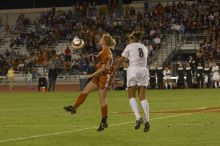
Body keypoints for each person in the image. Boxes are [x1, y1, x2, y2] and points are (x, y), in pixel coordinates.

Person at [64, 33, 116, 132]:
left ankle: (104, 121)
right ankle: (74, 108)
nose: (99, 39)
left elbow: (104, 68)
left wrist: (91, 75)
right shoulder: (104, 51)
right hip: (99, 76)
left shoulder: (106, 51)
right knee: (85, 91)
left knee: (102, 99)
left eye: (101, 38)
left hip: (104, 76)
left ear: (104, 41)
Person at [111, 31, 150, 132]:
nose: (128, 41)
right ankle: (147, 120)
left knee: (131, 96)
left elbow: (121, 60)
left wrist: (113, 72)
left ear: (132, 39)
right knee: (142, 96)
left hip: (133, 70)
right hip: (144, 70)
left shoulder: (130, 46)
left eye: (129, 39)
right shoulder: (144, 47)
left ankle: (138, 117)